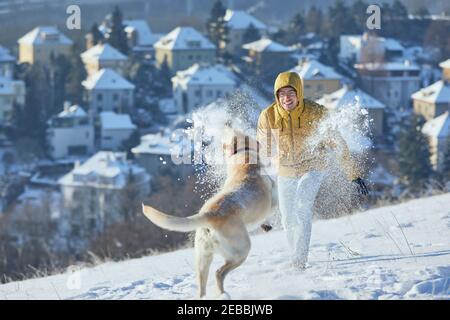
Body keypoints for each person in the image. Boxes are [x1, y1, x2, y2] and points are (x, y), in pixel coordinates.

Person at [257, 71, 368, 270]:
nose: (286, 98)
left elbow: (338, 144)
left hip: (314, 166)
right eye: (282, 94)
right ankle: (295, 254)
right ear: (276, 96)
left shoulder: (316, 112)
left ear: (299, 93)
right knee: (287, 217)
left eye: (291, 92)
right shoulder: (268, 116)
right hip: (286, 170)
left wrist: (353, 174)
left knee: (301, 207)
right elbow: (264, 155)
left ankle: (299, 262)